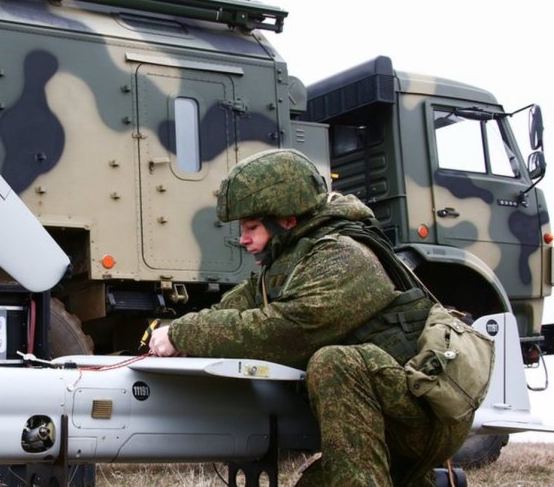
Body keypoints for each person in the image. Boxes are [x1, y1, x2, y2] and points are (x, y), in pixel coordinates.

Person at [147, 149, 472, 486]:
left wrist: (186, 334)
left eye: (252, 227)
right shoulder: (287, 263)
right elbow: (228, 312)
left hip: (422, 418)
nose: (242, 239)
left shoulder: (344, 255)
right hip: (383, 411)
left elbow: (287, 331)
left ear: (287, 220)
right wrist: (172, 335)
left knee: (334, 361)